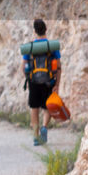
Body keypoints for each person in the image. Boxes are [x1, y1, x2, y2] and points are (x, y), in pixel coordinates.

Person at [23, 18, 60, 146]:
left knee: (34, 108)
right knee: (46, 107)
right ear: (46, 30)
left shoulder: (30, 47)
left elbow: (24, 66)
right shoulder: (51, 46)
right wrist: (57, 84)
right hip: (48, 81)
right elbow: (58, 67)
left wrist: (28, 79)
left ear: (34, 31)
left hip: (34, 81)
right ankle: (44, 126)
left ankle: (35, 135)